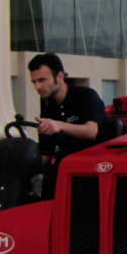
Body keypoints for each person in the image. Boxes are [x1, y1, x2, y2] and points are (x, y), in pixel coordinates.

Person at [28, 53, 107, 199]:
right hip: (64, 169)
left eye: (42, 80)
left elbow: (91, 131)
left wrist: (59, 125)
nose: (37, 87)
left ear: (60, 76)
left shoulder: (86, 95)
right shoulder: (48, 107)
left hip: (95, 169)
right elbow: (46, 152)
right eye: (34, 82)